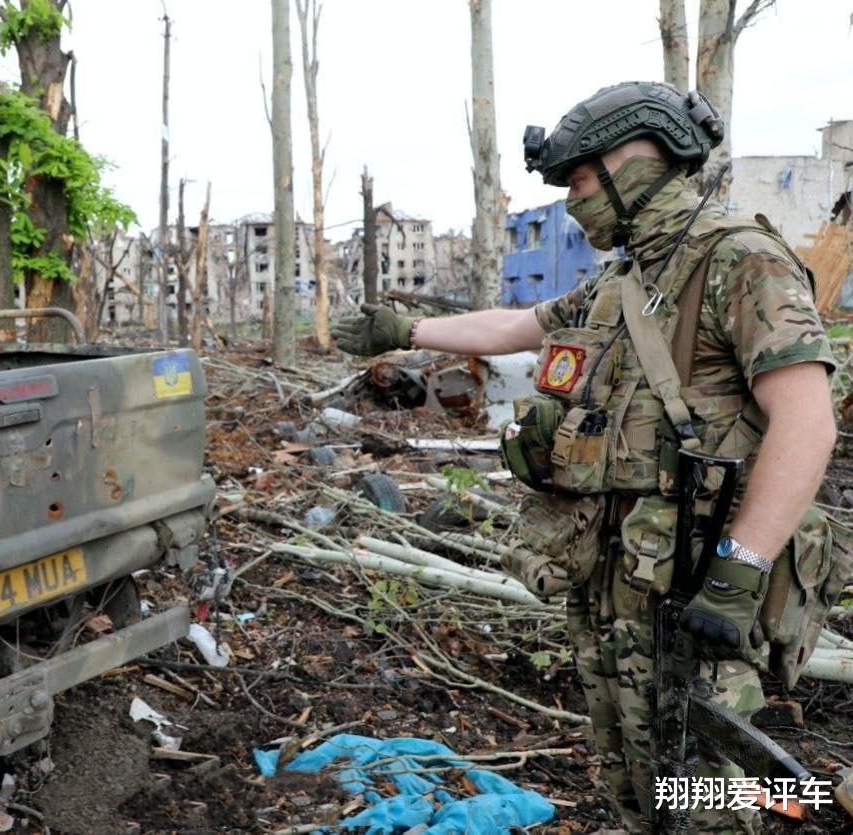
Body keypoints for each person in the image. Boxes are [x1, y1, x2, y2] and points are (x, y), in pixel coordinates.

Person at [333, 81, 839, 833]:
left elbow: (807, 421)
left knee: (707, 789)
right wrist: (408, 330)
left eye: (577, 181)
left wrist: (739, 570)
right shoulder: (626, 278)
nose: (573, 201)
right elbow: (518, 325)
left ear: (635, 161)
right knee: (634, 770)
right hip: (617, 576)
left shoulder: (740, 259)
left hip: (698, 582)